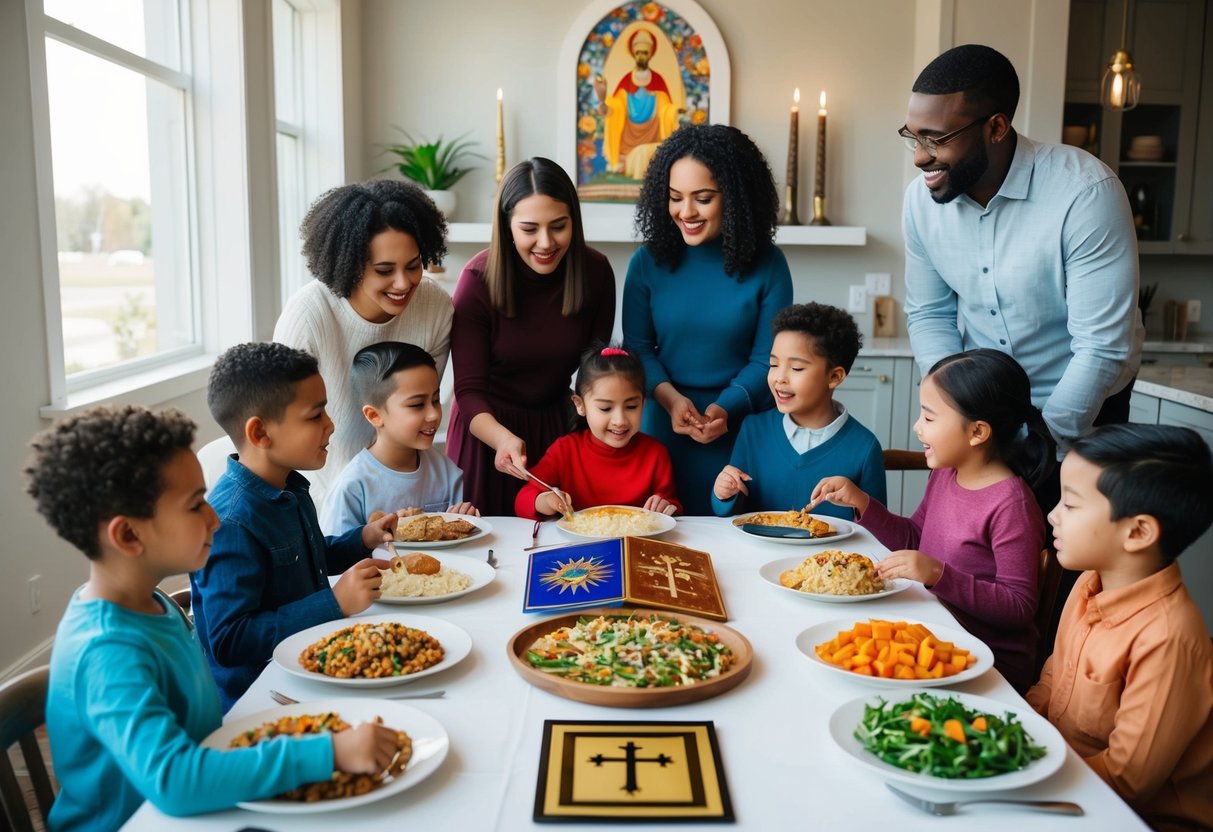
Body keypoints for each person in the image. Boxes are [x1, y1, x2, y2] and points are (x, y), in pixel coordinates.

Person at [24, 405, 398, 831]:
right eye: (194, 505)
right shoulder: (106, 649)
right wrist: (327, 753)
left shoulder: (153, 603)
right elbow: (175, 780)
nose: (215, 517)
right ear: (129, 535)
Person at [900, 44, 1142, 449]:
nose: (920, 158)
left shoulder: (1085, 192)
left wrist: (1037, 447)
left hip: (1087, 411)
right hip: (982, 418)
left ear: (996, 128)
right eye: (913, 137)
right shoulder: (919, 202)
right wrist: (953, 411)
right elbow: (930, 315)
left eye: (936, 139)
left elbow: (1101, 348)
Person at [812, 349, 1055, 692]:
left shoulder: (1011, 505)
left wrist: (938, 574)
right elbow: (914, 539)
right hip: (935, 632)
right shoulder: (946, 474)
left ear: (977, 432)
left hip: (986, 663)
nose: (916, 427)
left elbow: (1019, 606)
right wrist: (862, 502)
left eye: (928, 418)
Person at [1026, 424, 1213, 831]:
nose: (1052, 513)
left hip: (1124, 814)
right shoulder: (1089, 582)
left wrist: (1019, 782)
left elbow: (1127, 781)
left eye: (1071, 506)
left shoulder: (1168, 637)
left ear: (1138, 532)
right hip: (1058, 778)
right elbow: (1052, 680)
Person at [191, 342, 397, 709]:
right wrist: (333, 602)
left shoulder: (289, 486)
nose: (331, 424)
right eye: (315, 415)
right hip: (262, 699)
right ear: (260, 434)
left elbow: (310, 556)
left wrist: (362, 539)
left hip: (312, 663)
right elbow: (230, 640)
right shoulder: (231, 522)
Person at [623, 124, 792, 515]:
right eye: (675, 198)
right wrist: (670, 400)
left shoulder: (769, 265)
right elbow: (637, 349)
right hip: (662, 425)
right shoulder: (646, 263)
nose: (686, 213)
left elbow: (766, 357)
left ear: (735, 198)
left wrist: (725, 408)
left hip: (744, 427)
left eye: (703, 198)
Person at [447, 157, 615, 515]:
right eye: (529, 229)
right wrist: (502, 439)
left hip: (557, 432)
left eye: (559, 226)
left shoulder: (596, 273)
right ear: (507, 227)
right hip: (487, 435)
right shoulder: (476, 283)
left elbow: (594, 375)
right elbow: (468, 391)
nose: (546, 242)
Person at [274, 179, 452, 497]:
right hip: (323, 502)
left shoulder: (434, 306)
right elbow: (285, 429)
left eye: (413, 266)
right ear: (350, 265)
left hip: (403, 498)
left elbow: (414, 417)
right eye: (384, 270)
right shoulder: (309, 316)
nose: (403, 283)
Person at [711, 303, 885, 521]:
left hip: (830, 556)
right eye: (774, 365)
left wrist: (858, 500)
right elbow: (731, 511)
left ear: (834, 377)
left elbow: (878, 528)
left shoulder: (864, 447)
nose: (779, 377)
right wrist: (723, 494)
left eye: (796, 368)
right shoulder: (753, 430)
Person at [320, 341, 477, 535]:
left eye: (435, 400)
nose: (434, 414)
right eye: (417, 405)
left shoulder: (445, 471)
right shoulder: (353, 487)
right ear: (374, 416)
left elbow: (459, 541)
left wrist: (465, 519)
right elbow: (336, 558)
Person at [514, 345, 680, 519]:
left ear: (643, 403)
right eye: (605, 408)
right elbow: (522, 500)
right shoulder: (565, 450)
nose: (620, 420)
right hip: (578, 545)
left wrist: (664, 505)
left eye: (631, 406)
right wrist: (546, 501)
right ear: (580, 405)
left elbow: (673, 506)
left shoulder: (656, 454)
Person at [594, 27, 682, 178]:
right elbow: (615, 107)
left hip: (653, 131)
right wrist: (604, 104)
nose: (641, 56)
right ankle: (622, 162)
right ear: (634, 54)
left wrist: (674, 111)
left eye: (645, 53)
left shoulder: (658, 81)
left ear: (650, 55)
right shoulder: (626, 81)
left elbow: (665, 107)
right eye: (638, 53)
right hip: (628, 133)